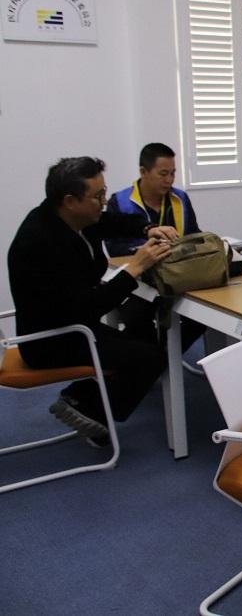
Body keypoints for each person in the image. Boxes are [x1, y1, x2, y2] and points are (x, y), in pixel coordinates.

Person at [7, 157, 176, 445]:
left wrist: (147, 228)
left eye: (104, 192)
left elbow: (112, 221)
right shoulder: (38, 242)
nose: (103, 202)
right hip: (53, 340)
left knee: (146, 330)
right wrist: (134, 269)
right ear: (70, 201)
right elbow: (84, 307)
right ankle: (91, 410)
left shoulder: (75, 219)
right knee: (152, 356)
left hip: (76, 325)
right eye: (97, 196)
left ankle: (81, 399)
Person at [105, 142, 200, 257]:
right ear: (143, 172)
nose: (169, 180)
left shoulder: (180, 198)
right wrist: (149, 250)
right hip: (138, 266)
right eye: (163, 174)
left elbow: (194, 236)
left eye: (172, 173)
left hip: (177, 265)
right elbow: (113, 248)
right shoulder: (119, 201)